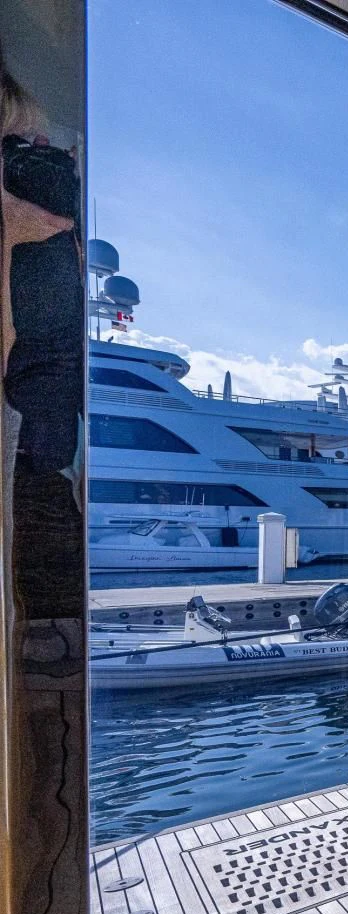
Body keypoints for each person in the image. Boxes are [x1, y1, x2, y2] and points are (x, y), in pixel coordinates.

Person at [1, 40, 83, 619]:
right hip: (27, 456)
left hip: (44, 463)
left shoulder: (47, 240)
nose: (38, 160)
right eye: (18, 148)